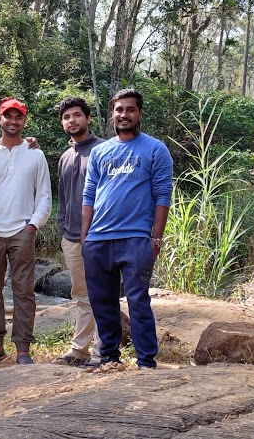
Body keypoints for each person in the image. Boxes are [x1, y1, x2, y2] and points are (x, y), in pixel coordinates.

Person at [80, 88, 173, 370]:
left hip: (135, 238)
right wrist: (85, 238)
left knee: (138, 301)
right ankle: (109, 356)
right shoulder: (100, 151)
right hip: (98, 239)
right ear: (112, 114)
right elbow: (89, 195)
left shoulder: (155, 149)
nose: (124, 114)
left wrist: (156, 238)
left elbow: (163, 196)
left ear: (139, 114)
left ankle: (146, 361)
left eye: (130, 109)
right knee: (102, 301)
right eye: (119, 109)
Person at [0, 98, 52, 366]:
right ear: (0, 120)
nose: (13, 121)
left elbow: (44, 195)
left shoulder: (35, 154)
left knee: (24, 290)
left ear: (24, 121)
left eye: (18, 117)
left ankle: (23, 350)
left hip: (22, 230)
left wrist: (33, 225)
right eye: (8, 116)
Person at [50, 97, 105, 367]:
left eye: (76, 115)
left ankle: (103, 351)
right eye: (66, 117)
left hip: (99, 236)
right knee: (81, 295)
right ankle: (80, 351)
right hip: (71, 237)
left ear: (88, 118)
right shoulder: (65, 157)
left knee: (102, 292)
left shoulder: (104, 150)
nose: (72, 120)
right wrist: (63, 227)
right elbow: (63, 197)